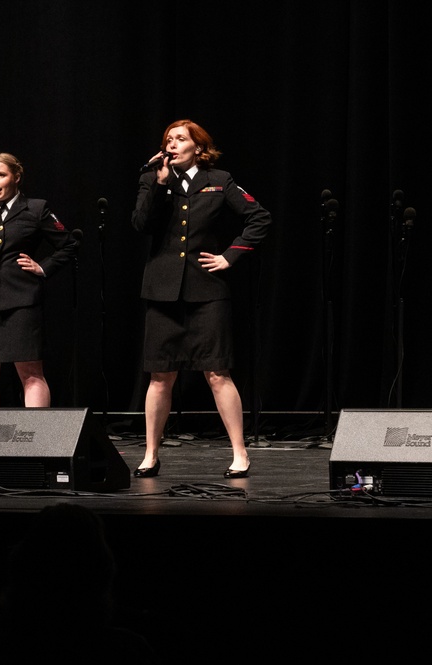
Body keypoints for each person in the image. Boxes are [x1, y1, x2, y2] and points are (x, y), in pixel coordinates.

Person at [131, 120, 271, 479]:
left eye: (180, 139)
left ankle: (240, 453)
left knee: (216, 372)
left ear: (198, 146)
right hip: (162, 290)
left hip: (206, 290)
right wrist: (159, 183)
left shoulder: (219, 179)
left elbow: (259, 217)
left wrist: (230, 255)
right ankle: (150, 454)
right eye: (168, 140)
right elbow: (141, 225)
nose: (172, 144)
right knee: (160, 376)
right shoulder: (153, 179)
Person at [0, 153, 79, 408]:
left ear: (17, 177)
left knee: (30, 373)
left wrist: (43, 268)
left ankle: (36, 442)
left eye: (1, 175)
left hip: (21, 301)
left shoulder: (35, 208)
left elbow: (69, 244)